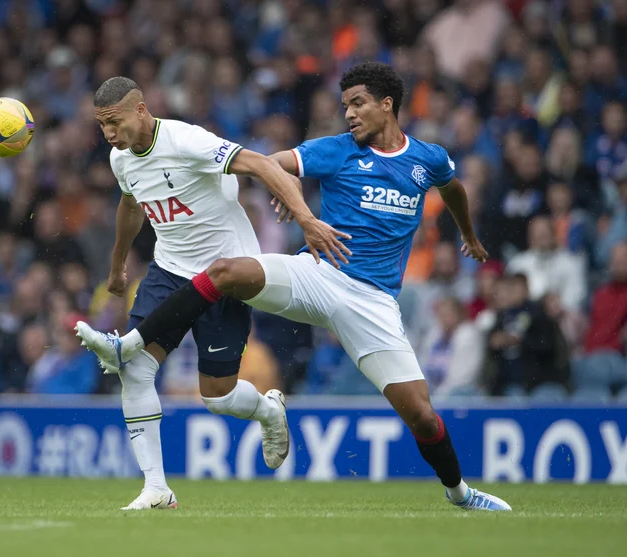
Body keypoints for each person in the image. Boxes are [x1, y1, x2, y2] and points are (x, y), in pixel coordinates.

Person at [78, 63, 511, 512]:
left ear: (388, 105)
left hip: (373, 302)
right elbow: (274, 162)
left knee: (420, 414)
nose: (349, 114)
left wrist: (470, 235)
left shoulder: (428, 159)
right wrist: (292, 200)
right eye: (345, 106)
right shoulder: (336, 151)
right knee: (227, 271)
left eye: (358, 104)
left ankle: (460, 492)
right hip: (317, 274)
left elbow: (453, 187)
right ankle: (131, 346)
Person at [75, 77, 347, 511]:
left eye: (114, 122)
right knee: (136, 372)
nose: (109, 134)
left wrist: (306, 220)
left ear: (141, 110)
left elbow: (260, 164)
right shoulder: (120, 159)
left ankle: (267, 411)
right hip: (168, 272)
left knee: (217, 397)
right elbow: (131, 206)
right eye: (101, 125)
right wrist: (117, 265)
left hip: (225, 275)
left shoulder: (186, 141)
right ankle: (156, 488)